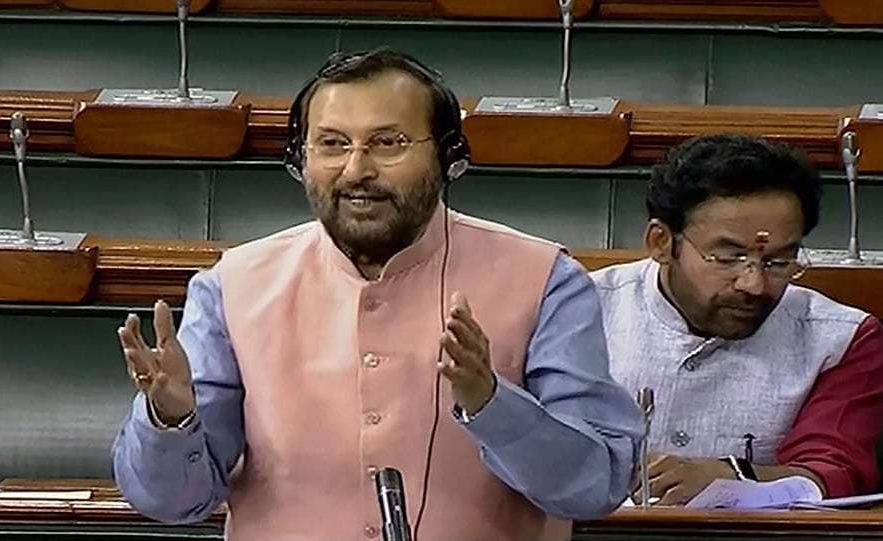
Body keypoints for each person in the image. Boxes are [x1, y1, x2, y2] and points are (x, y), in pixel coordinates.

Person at [110, 48, 643, 541]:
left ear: (450, 156)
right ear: (300, 159)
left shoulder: (545, 278)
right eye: (332, 144)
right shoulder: (233, 285)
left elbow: (595, 486)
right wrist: (171, 422)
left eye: (388, 143)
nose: (357, 170)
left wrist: (493, 405)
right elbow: (173, 502)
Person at [591, 134, 883, 506]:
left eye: (779, 261)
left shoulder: (842, 339)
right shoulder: (579, 311)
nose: (755, 285)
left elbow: (833, 471)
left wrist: (736, 475)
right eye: (728, 257)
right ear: (661, 242)